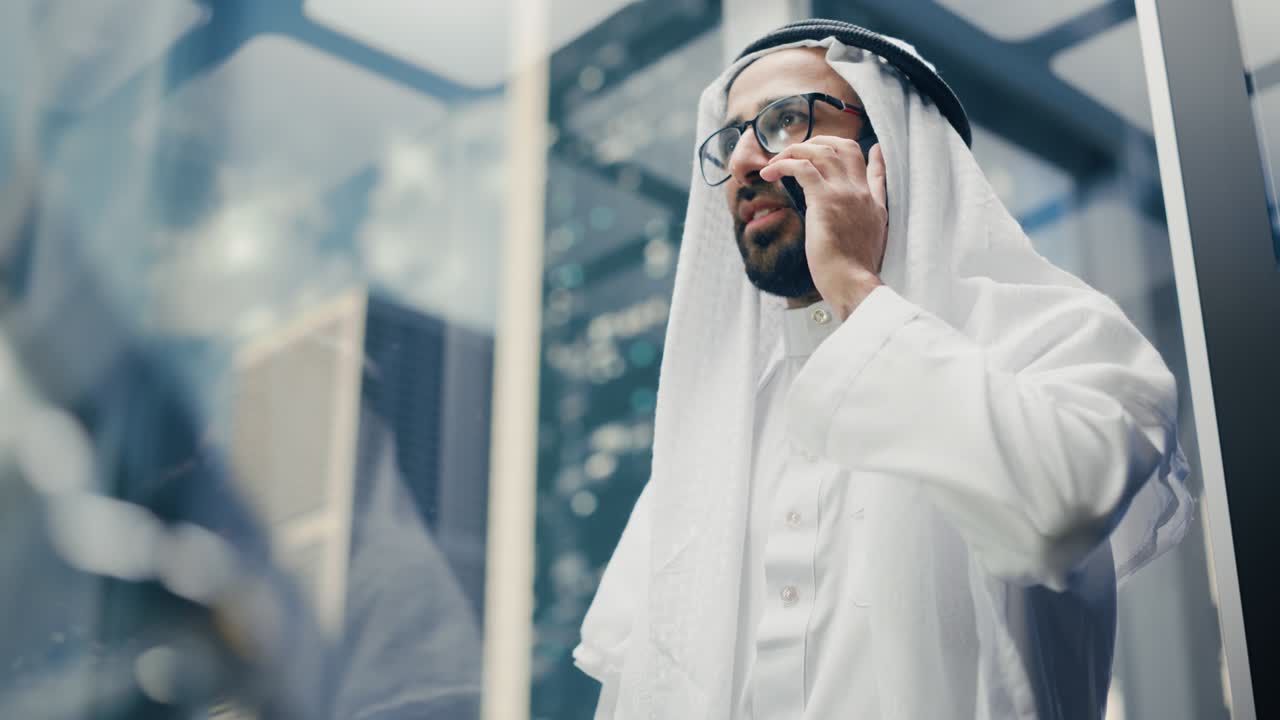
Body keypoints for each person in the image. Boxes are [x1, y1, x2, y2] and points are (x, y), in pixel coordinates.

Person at [574, 20, 1193, 720]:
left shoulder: (1060, 338)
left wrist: (851, 285)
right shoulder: (713, 432)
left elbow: (1060, 508)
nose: (744, 160)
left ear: (893, 151)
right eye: (731, 137)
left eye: (783, 119)